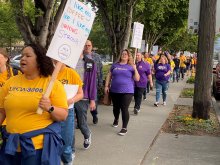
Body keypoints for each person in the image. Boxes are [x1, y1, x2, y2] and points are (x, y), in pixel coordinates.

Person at [0, 44, 68, 165]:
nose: (22, 59)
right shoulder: (11, 82)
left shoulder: (53, 84)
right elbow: (2, 112)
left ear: (39, 60)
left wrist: (50, 108)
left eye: (28, 56)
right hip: (11, 146)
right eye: (21, 56)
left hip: (38, 149)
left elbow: (63, 115)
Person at [104, 49, 140, 136]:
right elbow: (109, 75)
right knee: (116, 108)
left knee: (124, 108)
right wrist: (106, 86)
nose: (124, 55)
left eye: (126, 54)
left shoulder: (131, 66)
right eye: (123, 54)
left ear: (128, 57)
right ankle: (116, 119)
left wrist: (135, 69)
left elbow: (137, 79)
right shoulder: (114, 65)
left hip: (127, 91)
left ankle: (124, 128)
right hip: (114, 90)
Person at [56, 62, 83, 165]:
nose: (55, 61)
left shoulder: (71, 73)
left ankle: (68, 161)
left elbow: (80, 94)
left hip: (67, 111)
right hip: (50, 111)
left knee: (66, 144)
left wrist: (71, 100)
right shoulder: (48, 72)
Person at [75, 53, 97, 149]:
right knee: (69, 123)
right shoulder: (67, 62)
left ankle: (87, 134)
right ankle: (69, 148)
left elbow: (92, 82)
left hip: (82, 97)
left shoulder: (90, 63)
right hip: (68, 96)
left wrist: (92, 99)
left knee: (81, 122)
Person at [83, 40, 103, 124]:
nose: (87, 47)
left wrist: (100, 83)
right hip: (82, 83)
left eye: (89, 45)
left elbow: (100, 70)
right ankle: (81, 120)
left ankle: (94, 115)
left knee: (93, 101)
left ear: (91, 46)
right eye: (85, 45)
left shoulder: (97, 57)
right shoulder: (80, 56)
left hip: (94, 83)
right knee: (82, 103)